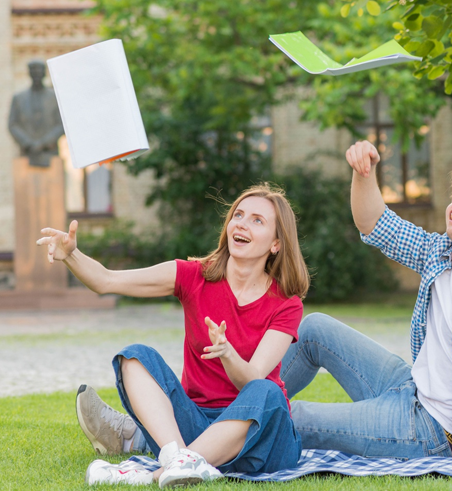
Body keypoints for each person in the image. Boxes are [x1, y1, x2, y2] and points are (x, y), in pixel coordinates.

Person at [273, 141, 452, 461]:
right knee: (315, 328)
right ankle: (231, 409)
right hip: (408, 387)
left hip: (437, 431)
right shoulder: (437, 253)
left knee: (298, 418)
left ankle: (226, 430)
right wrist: (365, 173)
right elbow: (372, 223)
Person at [40, 184, 308, 486]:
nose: (242, 223)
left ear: (275, 243)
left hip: (261, 435)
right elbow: (106, 280)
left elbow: (252, 380)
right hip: (196, 424)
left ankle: (152, 474)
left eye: (257, 220)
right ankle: (178, 458)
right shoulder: (194, 276)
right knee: (135, 357)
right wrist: (71, 255)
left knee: (267, 391)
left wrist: (229, 354)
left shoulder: (286, 303)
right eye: (238, 215)